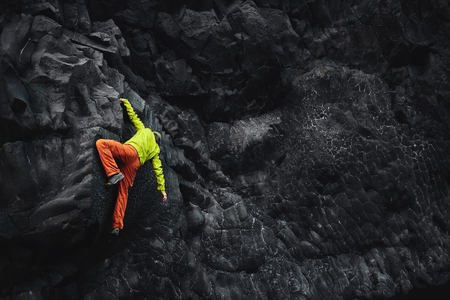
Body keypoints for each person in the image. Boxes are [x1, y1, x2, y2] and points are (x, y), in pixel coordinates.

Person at [96, 98, 167, 235]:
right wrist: (162, 190)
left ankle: (113, 173)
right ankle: (116, 226)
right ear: (158, 142)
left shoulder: (144, 130)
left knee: (101, 144)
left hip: (130, 151)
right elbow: (158, 171)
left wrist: (126, 102)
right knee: (123, 193)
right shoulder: (155, 151)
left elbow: (134, 117)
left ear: (153, 134)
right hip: (134, 165)